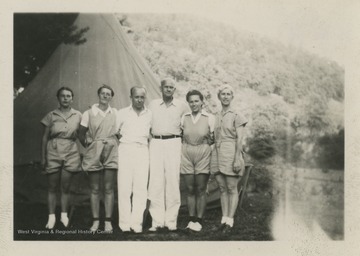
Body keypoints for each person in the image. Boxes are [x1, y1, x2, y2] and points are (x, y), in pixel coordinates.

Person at [148, 78, 189, 231]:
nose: (169, 90)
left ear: (174, 90)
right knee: (156, 182)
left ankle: (171, 221)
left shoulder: (181, 106)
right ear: (161, 88)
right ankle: (157, 221)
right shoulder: (152, 104)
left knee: (172, 181)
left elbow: (188, 126)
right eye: (166, 87)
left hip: (174, 142)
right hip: (156, 142)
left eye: (172, 87)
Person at [78, 84, 118, 232]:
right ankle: (95, 221)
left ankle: (108, 221)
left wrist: (114, 143)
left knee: (108, 188)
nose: (105, 96)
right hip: (95, 150)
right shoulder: (88, 113)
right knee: (94, 188)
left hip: (111, 150)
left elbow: (120, 132)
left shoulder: (115, 112)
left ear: (111, 97)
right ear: (99, 95)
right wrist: (89, 145)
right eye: (103, 93)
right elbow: (80, 133)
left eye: (108, 94)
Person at [41, 87, 82, 229]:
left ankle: (63, 216)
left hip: (71, 150)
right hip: (53, 150)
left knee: (65, 187)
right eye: (62, 96)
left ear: (72, 98)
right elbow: (45, 137)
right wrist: (43, 157)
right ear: (58, 98)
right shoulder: (51, 115)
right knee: (52, 187)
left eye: (68, 96)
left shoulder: (78, 115)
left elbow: (82, 135)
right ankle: (51, 217)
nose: (65, 98)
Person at [210, 84, 247, 233]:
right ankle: (223, 219)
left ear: (232, 97)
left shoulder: (237, 115)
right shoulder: (217, 115)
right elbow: (214, 137)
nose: (225, 96)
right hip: (217, 153)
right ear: (219, 97)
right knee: (222, 188)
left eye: (228, 94)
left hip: (231, 151)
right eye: (222, 94)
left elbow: (240, 139)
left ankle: (230, 221)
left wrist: (237, 158)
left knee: (232, 188)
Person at [117, 87, 152, 233]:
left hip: (142, 150)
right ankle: (124, 223)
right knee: (124, 188)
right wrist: (126, 143)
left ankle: (136, 223)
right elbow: (115, 132)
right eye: (136, 97)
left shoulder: (149, 114)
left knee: (140, 189)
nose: (139, 100)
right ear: (130, 97)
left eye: (142, 97)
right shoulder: (122, 113)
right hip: (125, 149)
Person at [180, 90, 214, 232]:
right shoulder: (184, 117)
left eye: (196, 101)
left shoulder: (210, 117)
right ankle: (191, 219)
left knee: (200, 188)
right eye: (191, 101)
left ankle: (199, 220)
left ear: (202, 102)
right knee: (189, 189)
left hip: (203, 152)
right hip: (187, 153)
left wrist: (207, 148)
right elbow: (181, 136)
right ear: (188, 103)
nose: (194, 104)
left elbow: (213, 138)